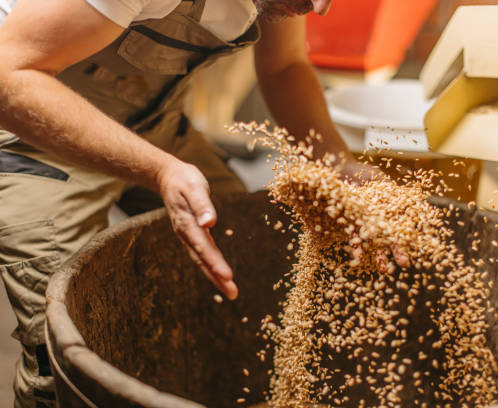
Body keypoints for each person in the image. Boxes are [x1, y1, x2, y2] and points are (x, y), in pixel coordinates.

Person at [0, 0, 375, 406]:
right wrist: (160, 170)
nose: (318, 8)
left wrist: (337, 163)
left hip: (152, 122)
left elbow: (284, 66)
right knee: (64, 354)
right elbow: (9, 77)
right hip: (35, 129)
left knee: (247, 260)